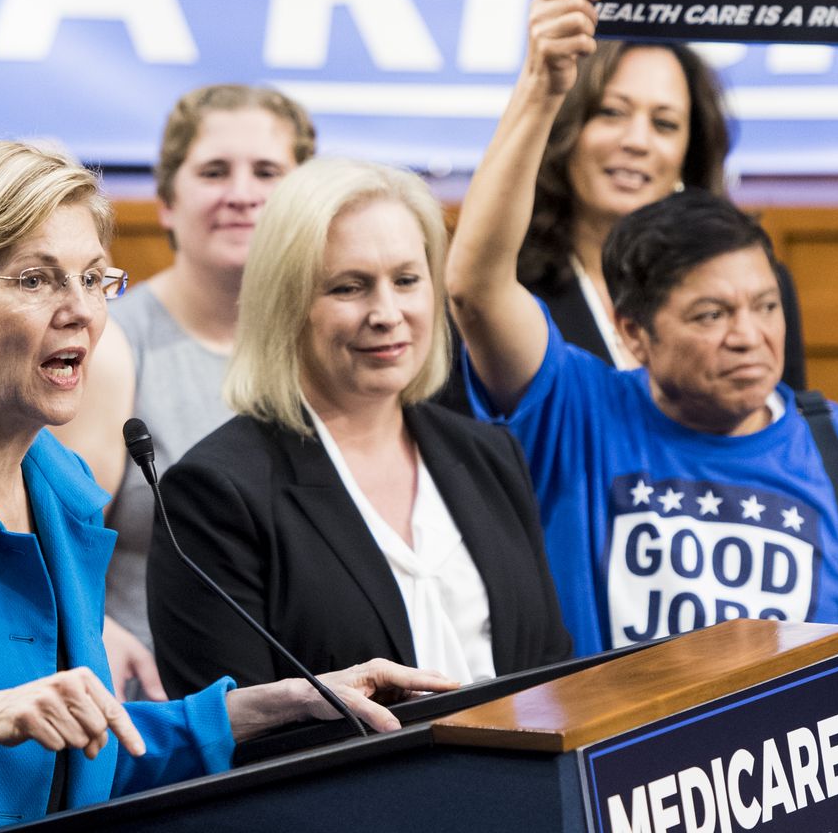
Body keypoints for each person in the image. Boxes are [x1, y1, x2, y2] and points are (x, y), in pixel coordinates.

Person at [0, 140, 452, 830]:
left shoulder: (59, 485)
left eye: (94, 279)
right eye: (36, 280)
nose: (82, 312)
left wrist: (295, 700)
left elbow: (87, 752)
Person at [446, 0, 838, 831]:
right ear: (635, 334)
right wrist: (542, 86)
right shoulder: (578, 410)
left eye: (763, 307)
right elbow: (471, 287)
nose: (750, 337)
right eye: (711, 316)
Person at [148, 157, 573, 697]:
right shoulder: (215, 495)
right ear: (287, 303)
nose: (387, 312)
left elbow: (553, 671)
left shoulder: (491, 453)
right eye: (349, 287)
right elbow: (231, 738)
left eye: (406, 280)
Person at [52, 84, 316, 697]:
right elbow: (54, 545)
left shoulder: (340, 337)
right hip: (164, 715)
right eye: (215, 171)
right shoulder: (112, 344)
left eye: (267, 172)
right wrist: (88, 631)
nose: (242, 194)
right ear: (167, 200)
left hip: (322, 700)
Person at [518, 33, 807, 386]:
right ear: (566, 130)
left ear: (690, 154)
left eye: (664, 124)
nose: (637, 141)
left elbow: (782, 431)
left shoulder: (758, 288)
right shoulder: (510, 286)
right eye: (612, 113)